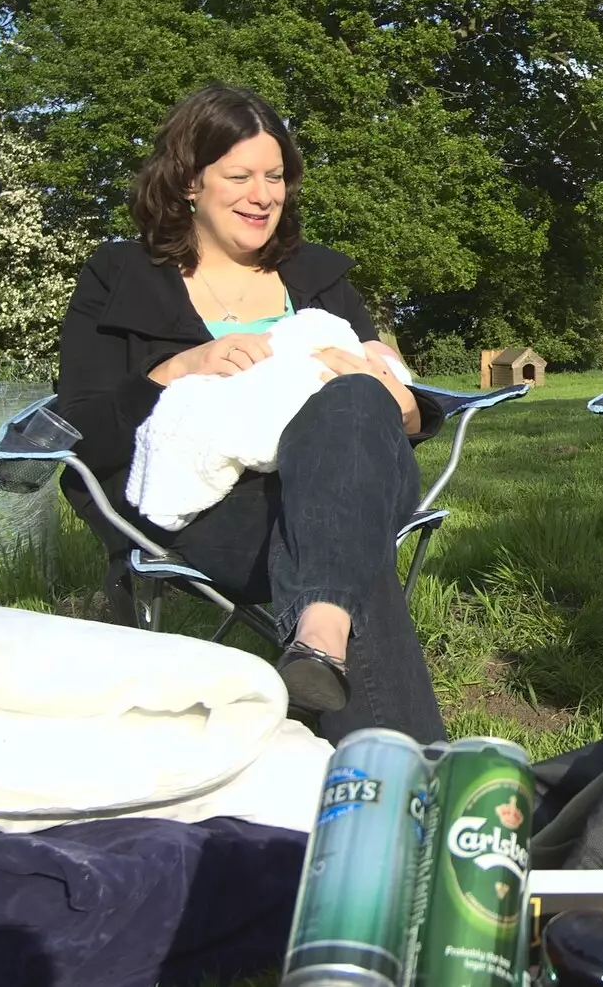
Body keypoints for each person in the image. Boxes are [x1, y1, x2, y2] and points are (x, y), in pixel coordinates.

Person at [55, 84, 447, 745]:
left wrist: (403, 402)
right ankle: (414, 781)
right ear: (188, 181)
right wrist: (175, 369)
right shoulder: (118, 276)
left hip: (349, 467)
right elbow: (81, 431)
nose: (263, 194)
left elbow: (393, 392)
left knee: (350, 401)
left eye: (276, 176)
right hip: (210, 508)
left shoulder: (316, 278)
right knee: (353, 549)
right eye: (239, 176)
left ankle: (321, 632)